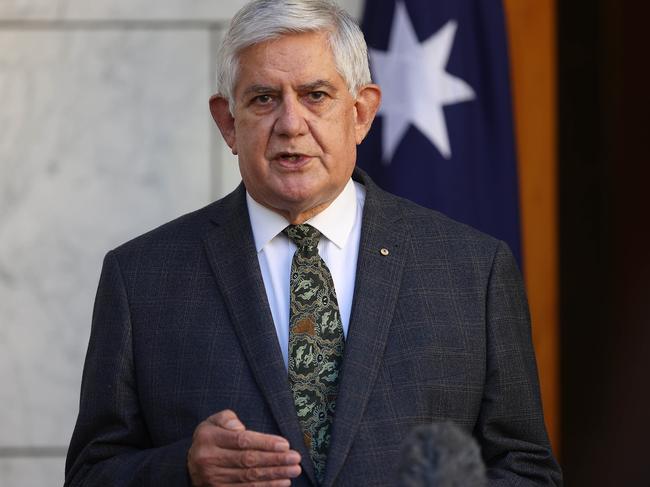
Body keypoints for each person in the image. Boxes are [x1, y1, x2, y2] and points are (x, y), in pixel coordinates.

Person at [65, 1, 562, 485]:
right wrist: (184, 470)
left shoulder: (472, 270)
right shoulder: (143, 277)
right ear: (228, 122)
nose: (290, 123)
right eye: (263, 98)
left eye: (316, 95)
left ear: (362, 113)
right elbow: (91, 473)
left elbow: (526, 469)